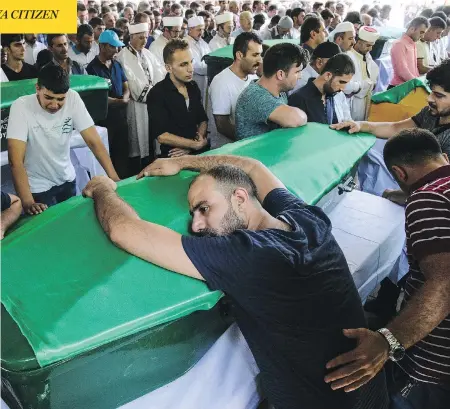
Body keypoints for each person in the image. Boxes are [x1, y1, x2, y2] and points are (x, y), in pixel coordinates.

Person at [83, 151, 390, 409]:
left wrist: (102, 187)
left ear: (240, 197)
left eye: (204, 209)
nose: (197, 225)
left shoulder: (251, 256)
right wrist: (184, 162)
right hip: (371, 394)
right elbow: (253, 168)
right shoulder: (307, 220)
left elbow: (123, 230)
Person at [324, 129, 450, 409]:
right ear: (443, 157)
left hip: (435, 367)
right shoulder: (442, 189)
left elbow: (444, 285)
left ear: (398, 172)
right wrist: (406, 193)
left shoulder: (427, 201)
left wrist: (388, 341)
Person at [7, 64, 119, 215]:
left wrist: (114, 177)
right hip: (37, 188)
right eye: (48, 98)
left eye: (60, 99)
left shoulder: (73, 98)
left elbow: (93, 141)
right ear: (37, 88)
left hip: (67, 179)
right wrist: (28, 202)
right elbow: (16, 160)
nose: (54, 105)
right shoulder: (20, 107)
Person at [147, 39, 208, 159]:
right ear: (168, 68)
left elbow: (202, 119)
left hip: (199, 153)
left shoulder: (193, 86)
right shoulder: (157, 93)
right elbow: (162, 135)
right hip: (173, 157)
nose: (190, 69)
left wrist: (198, 141)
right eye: (183, 64)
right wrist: (193, 145)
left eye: (191, 62)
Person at [117, 22, 165, 171]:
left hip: (154, 104)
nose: (144, 41)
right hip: (137, 107)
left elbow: (160, 73)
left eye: (145, 37)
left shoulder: (148, 53)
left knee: (153, 140)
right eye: (140, 38)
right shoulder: (122, 57)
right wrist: (155, 92)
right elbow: (133, 85)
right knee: (138, 141)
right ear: (131, 37)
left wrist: (158, 91)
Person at [235, 43, 308, 140]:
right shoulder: (255, 96)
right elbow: (297, 119)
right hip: (253, 154)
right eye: (297, 72)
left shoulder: (280, 92)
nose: (300, 76)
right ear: (280, 74)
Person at [87, 30, 130, 178]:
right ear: (103, 46)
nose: (116, 50)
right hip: (105, 121)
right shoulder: (91, 69)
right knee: (107, 154)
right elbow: (96, 97)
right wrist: (118, 101)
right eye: (113, 47)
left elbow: (126, 85)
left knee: (123, 153)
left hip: (121, 117)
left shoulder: (117, 64)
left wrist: (125, 97)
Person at [210, 32, 262, 147]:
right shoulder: (221, 82)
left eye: (260, 55)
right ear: (239, 55)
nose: (259, 60)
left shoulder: (253, 77)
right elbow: (222, 125)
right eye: (255, 55)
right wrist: (248, 142)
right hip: (227, 151)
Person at [289, 53, 353, 124]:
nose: (342, 88)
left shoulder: (333, 95)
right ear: (328, 75)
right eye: (341, 82)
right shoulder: (299, 99)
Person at [344, 26, 380, 121]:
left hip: (365, 100)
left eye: (372, 45)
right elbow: (346, 86)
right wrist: (363, 85)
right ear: (359, 42)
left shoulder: (367, 55)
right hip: (352, 101)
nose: (371, 49)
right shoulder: (348, 56)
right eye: (368, 45)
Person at [389, 17, 428, 88]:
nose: (422, 36)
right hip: (398, 88)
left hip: (410, 86)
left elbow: (414, 70)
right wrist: (418, 83)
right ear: (412, 29)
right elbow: (402, 71)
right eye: (421, 32)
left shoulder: (413, 44)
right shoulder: (399, 44)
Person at [186, 16, 211, 104]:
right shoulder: (185, 44)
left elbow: (210, 59)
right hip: (193, 82)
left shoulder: (204, 43)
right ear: (190, 29)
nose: (201, 32)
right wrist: (211, 69)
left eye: (202, 30)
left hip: (205, 82)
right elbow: (195, 66)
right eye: (198, 30)